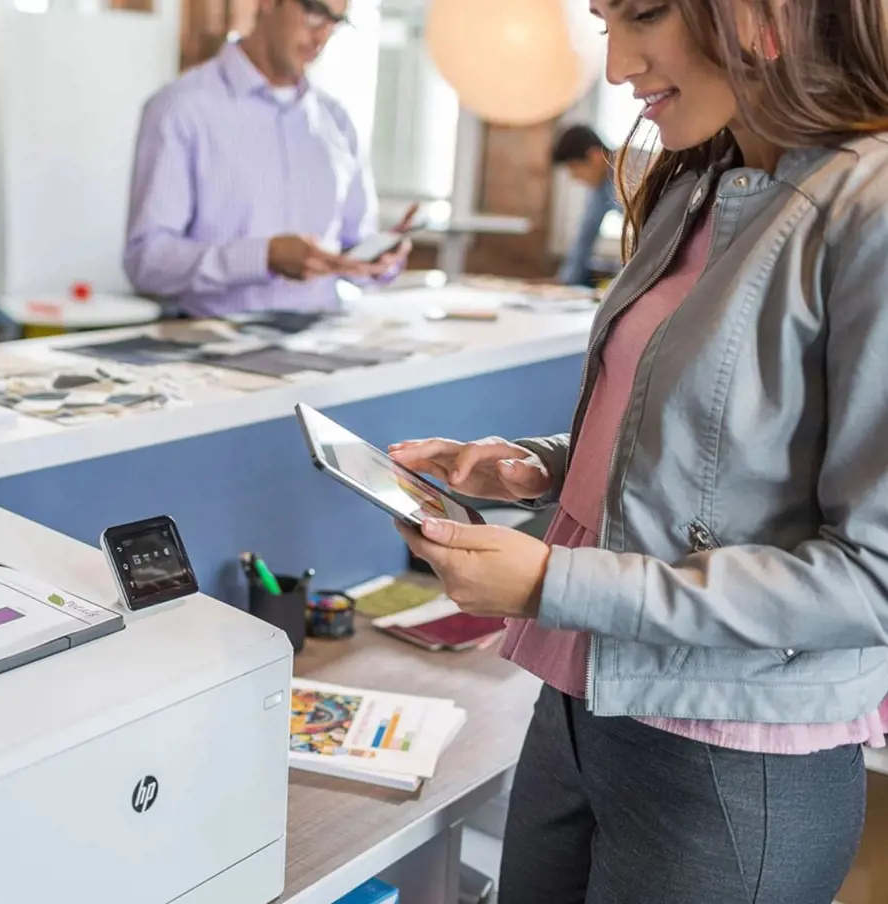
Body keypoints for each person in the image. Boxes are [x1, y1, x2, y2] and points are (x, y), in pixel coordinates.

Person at [389, 0, 888, 900]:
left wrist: (553, 583)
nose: (616, 66)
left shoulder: (871, 210)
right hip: (581, 704)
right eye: (602, 19)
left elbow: (873, 578)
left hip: (731, 760)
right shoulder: (704, 180)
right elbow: (704, 439)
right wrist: (540, 464)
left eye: (644, 15)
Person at [122, 0, 409, 319]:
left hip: (322, 341)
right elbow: (146, 263)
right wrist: (262, 258)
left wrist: (380, 262)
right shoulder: (181, 109)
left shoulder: (336, 121)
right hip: (214, 347)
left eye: (336, 22)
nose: (322, 36)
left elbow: (356, 249)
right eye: (315, 13)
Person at [551, 124, 619, 287]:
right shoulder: (600, 187)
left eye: (575, 168)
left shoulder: (630, 171)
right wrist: (565, 283)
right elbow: (584, 238)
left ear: (594, 157)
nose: (575, 177)